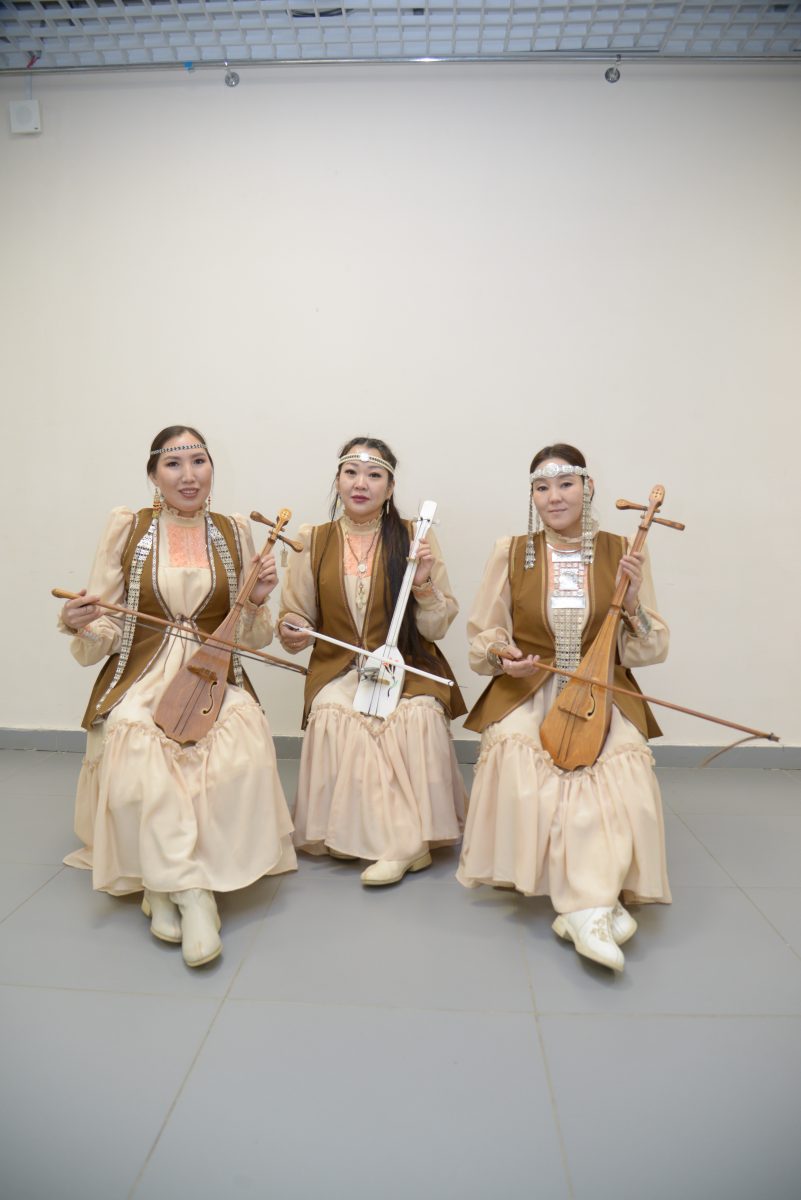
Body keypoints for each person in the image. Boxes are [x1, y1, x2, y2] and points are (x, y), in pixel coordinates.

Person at [59, 426, 296, 967]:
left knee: (244, 725)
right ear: (153, 475)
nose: (189, 476)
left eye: (199, 462)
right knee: (133, 733)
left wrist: (257, 599)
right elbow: (107, 627)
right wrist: (79, 621)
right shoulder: (129, 528)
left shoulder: (236, 531)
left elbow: (251, 637)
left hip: (211, 675)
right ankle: (192, 893)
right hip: (144, 670)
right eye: (173, 464)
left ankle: (160, 888)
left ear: (212, 468)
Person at [456, 443, 671, 972]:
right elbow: (485, 635)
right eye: (542, 487)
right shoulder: (511, 550)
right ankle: (593, 908)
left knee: (623, 762)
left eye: (566, 484)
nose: (554, 497)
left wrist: (633, 602)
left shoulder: (623, 549)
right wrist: (505, 658)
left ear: (588, 488)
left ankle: (584, 908)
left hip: (601, 688)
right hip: (531, 685)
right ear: (532, 495)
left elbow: (648, 647)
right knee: (516, 750)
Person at [278, 436, 467, 885]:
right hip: (338, 667)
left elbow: (436, 627)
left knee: (418, 714)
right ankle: (384, 840)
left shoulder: (416, 536)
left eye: (374, 475)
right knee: (333, 713)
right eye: (351, 473)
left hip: (406, 664)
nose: (361, 483)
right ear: (338, 480)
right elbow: (294, 620)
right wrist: (292, 627)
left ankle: (402, 843)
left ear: (390, 486)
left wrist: (423, 584)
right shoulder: (313, 540)